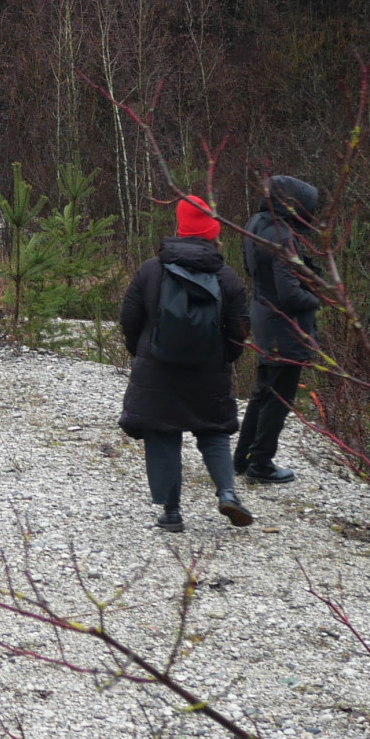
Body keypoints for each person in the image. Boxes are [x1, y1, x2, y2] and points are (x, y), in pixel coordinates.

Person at [118, 196, 254, 531]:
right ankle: (227, 493)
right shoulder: (227, 277)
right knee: (214, 431)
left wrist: (141, 351)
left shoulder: (151, 270)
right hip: (209, 371)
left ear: (180, 227)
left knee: (162, 433)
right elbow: (239, 330)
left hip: (157, 369)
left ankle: (172, 512)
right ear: (213, 230)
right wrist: (226, 358)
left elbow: (129, 317)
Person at [235, 175, 325, 484]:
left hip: (264, 318)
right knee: (278, 399)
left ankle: (243, 459)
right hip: (284, 329)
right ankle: (261, 465)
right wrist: (318, 299)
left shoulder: (256, 223)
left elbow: (257, 272)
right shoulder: (282, 235)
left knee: (263, 393)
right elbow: (289, 294)